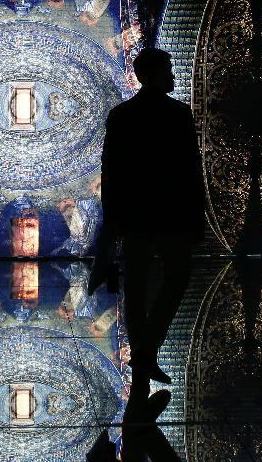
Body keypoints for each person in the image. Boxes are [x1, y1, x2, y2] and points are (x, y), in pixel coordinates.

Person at [96, 47, 205, 411]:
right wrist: (196, 216)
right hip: (171, 213)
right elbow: (190, 170)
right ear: (156, 74)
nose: (172, 75)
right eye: (168, 70)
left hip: (135, 214)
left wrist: (112, 217)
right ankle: (146, 349)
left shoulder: (122, 115)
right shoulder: (178, 114)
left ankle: (142, 353)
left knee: (137, 285)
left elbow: (111, 170)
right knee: (176, 278)